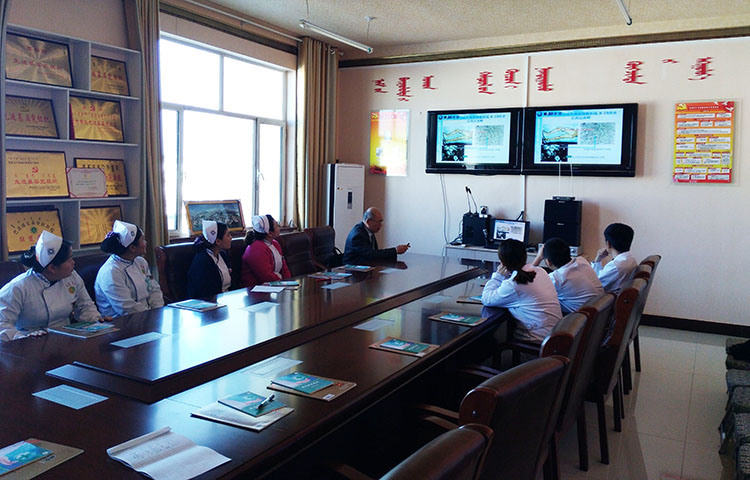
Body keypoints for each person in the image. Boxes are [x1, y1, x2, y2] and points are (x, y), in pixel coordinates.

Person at [0, 231, 102, 341]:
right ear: (52, 268)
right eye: (69, 260)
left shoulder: (72, 276)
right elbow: (2, 324)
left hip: (66, 338)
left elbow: (85, 306)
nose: (73, 262)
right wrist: (22, 338)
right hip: (30, 342)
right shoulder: (18, 288)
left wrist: (97, 322)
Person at [482, 238, 562, 344]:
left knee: (494, 341)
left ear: (502, 262)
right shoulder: (540, 271)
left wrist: (498, 276)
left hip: (538, 340)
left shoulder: (514, 284)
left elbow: (486, 299)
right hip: (554, 334)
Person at [95, 220, 164, 317]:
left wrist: (158, 311)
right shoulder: (111, 272)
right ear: (132, 248)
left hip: (147, 315)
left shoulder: (141, 262)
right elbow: (126, 307)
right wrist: (150, 316)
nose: (146, 242)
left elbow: (154, 289)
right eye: (143, 240)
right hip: (121, 321)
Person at [532, 237, 604, 314]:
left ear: (548, 262)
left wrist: (538, 257)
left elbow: (528, 282)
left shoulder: (557, 278)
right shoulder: (581, 260)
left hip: (579, 318)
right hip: (600, 311)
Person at [343, 207, 409, 265]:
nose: (381, 225)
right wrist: (395, 250)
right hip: (353, 270)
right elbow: (370, 254)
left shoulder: (368, 230)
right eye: (379, 222)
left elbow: (375, 253)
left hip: (367, 266)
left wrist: (395, 251)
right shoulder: (358, 235)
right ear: (368, 221)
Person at [186, 220, 233, 299]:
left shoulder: (222, 255)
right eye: (228, 235)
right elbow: (205, 292)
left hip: (225, 298)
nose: (231, 238)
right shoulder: (203, 261)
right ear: (218, 241)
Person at [241, 214, 291, 288]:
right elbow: (267, 276)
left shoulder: (275, 243)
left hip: (275, 285)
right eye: (277, 226)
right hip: (256, 289)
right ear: (270, 233)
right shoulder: (256, 248)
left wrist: (289, 282)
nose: (279, 228)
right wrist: (283, 283)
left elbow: (284, 268)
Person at [591, 223, 637, 294]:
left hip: (604, 298)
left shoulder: (616, 266)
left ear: (608, 243)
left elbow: (594, 285)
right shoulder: (630, 259)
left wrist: (596, 261)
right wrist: (597, 260)